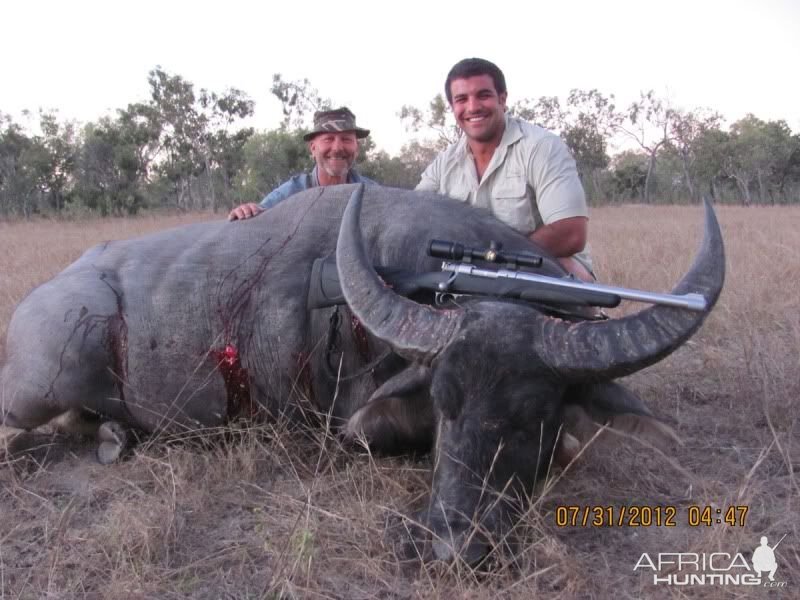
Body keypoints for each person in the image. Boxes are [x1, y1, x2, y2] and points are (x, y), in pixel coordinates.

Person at [416, 58, 593, 281]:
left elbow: (570, 234)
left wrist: (490, 261)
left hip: (544, 265)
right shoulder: (443, 164)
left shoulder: (542, 147)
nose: (473, 107)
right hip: (467, 274)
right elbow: (414, 220)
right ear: (452, 107)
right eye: (462, 99)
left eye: (483, 95)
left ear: (502, 99)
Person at [228, 107, 376, 221]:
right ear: (313, 148)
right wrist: (246, 211)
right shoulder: (291, 193)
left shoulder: (374, 193)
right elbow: (260, 212)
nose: (337, 148)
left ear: (357, 148)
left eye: (346, 139)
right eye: (328, 139)